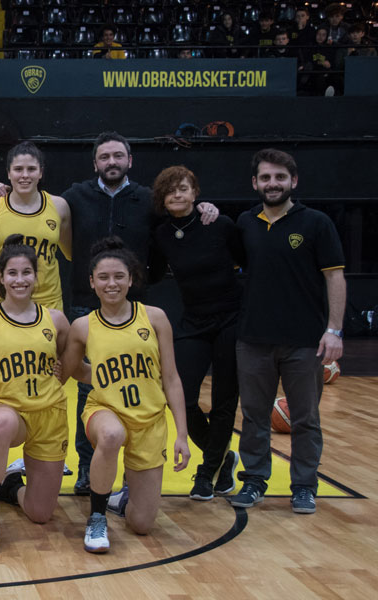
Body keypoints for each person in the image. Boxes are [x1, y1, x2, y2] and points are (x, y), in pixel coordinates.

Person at [60, 131, 216, 496]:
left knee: (144, 384)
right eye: (104, 157)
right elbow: (37, 205)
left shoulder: (149, 199)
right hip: (86, 302)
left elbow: (182, 217)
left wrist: (208, 209)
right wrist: (2, 192)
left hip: (137, 307)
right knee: (91, 391)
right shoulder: (75, 197)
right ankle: (88, 469)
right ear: (94, 163)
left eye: (118, 156)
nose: (111, 162)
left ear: (130, 160)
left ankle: (135, 472)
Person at [231, 149, 345, 514]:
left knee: (306, 418)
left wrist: (335, 331)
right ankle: (253, 481)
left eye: (280, 177)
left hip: (304, 342)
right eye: (265, 178)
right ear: (255, 183)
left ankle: (304, 486)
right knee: (253, 415)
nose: (272, 184)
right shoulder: (245, 223)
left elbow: (335, 277)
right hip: (253, 340)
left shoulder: (316, 223)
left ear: (293, 181)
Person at [61, 237, 189, 554]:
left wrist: (182, 436)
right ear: (92, 283)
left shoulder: (155, 317)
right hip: (104, 411)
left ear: (131, 279)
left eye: (119, 276)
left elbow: (171, 378)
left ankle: (122, 498)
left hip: (149, 421)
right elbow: (72, 369)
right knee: (111, 434)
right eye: (103, 277)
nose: (112, 283)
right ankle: (96, 516)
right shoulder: (82, 326)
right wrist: (96, 375)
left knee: (142, 525)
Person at [0, 236, 73, 551]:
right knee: (1, 425)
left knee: (40, 514)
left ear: (36, 277)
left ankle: (10, 487)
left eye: (26, 272)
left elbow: (64, 359)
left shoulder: (55, 319)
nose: (20, 280)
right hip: (5, 408)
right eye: (12, 273)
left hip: (49, 414)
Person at [148, 166, 244, 501]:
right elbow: (153, 273)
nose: (177, 194)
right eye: (170, 190)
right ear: (162, 197)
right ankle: (223, 456)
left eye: (183, 188)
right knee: (181, 397)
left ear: (195, 192)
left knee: (223, 400)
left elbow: (246, 260)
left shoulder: (219, 224)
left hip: (230, 319)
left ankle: (206, 472)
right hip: (194, 320)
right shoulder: (160, 234)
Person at [0, 141, 71, 311]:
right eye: (18, 169)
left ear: (40, 172)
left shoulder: (59, 207)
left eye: (31, 169)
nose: (25, 175)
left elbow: (71, 254)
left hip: (47, 303)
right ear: (9, 173)